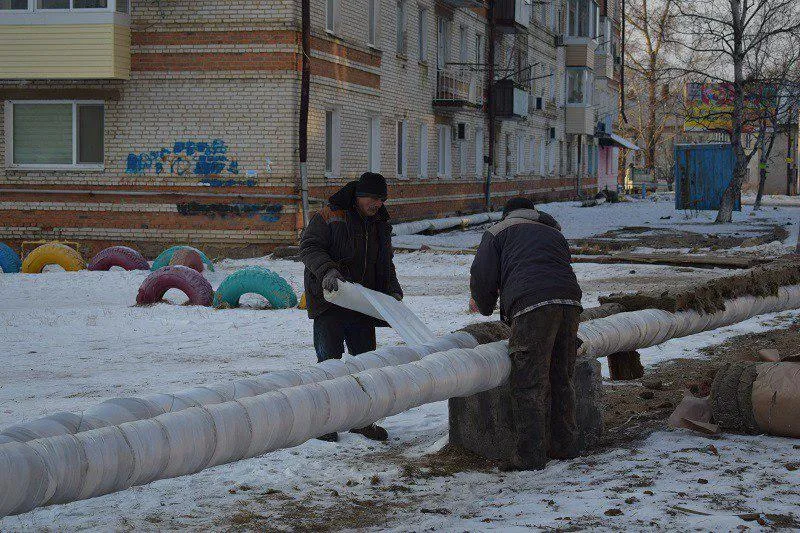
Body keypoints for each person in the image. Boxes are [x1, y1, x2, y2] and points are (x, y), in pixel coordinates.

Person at [469, 197, 582, 471]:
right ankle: (565, 446)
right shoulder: (553, 232)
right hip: (570, 302)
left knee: (528, 381)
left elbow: (482, 276)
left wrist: (483, 306)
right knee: (561, 376)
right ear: (534, 214)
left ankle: (530, 455)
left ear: (507, 214)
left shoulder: (497, 232)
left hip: (532, 304)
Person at [299, 171, 403, 442]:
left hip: (362, 304)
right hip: (330, 300)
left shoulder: (380, 222)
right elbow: (309, 248)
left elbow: (385, 262)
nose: (377, 204)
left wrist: (392, 290)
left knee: (367, 363)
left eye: (381, 199)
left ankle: (363, 421)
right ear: (359, 196)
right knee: (329, 364)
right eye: (373, 198)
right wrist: (328, 271)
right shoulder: (330, 215)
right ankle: (325, 423)